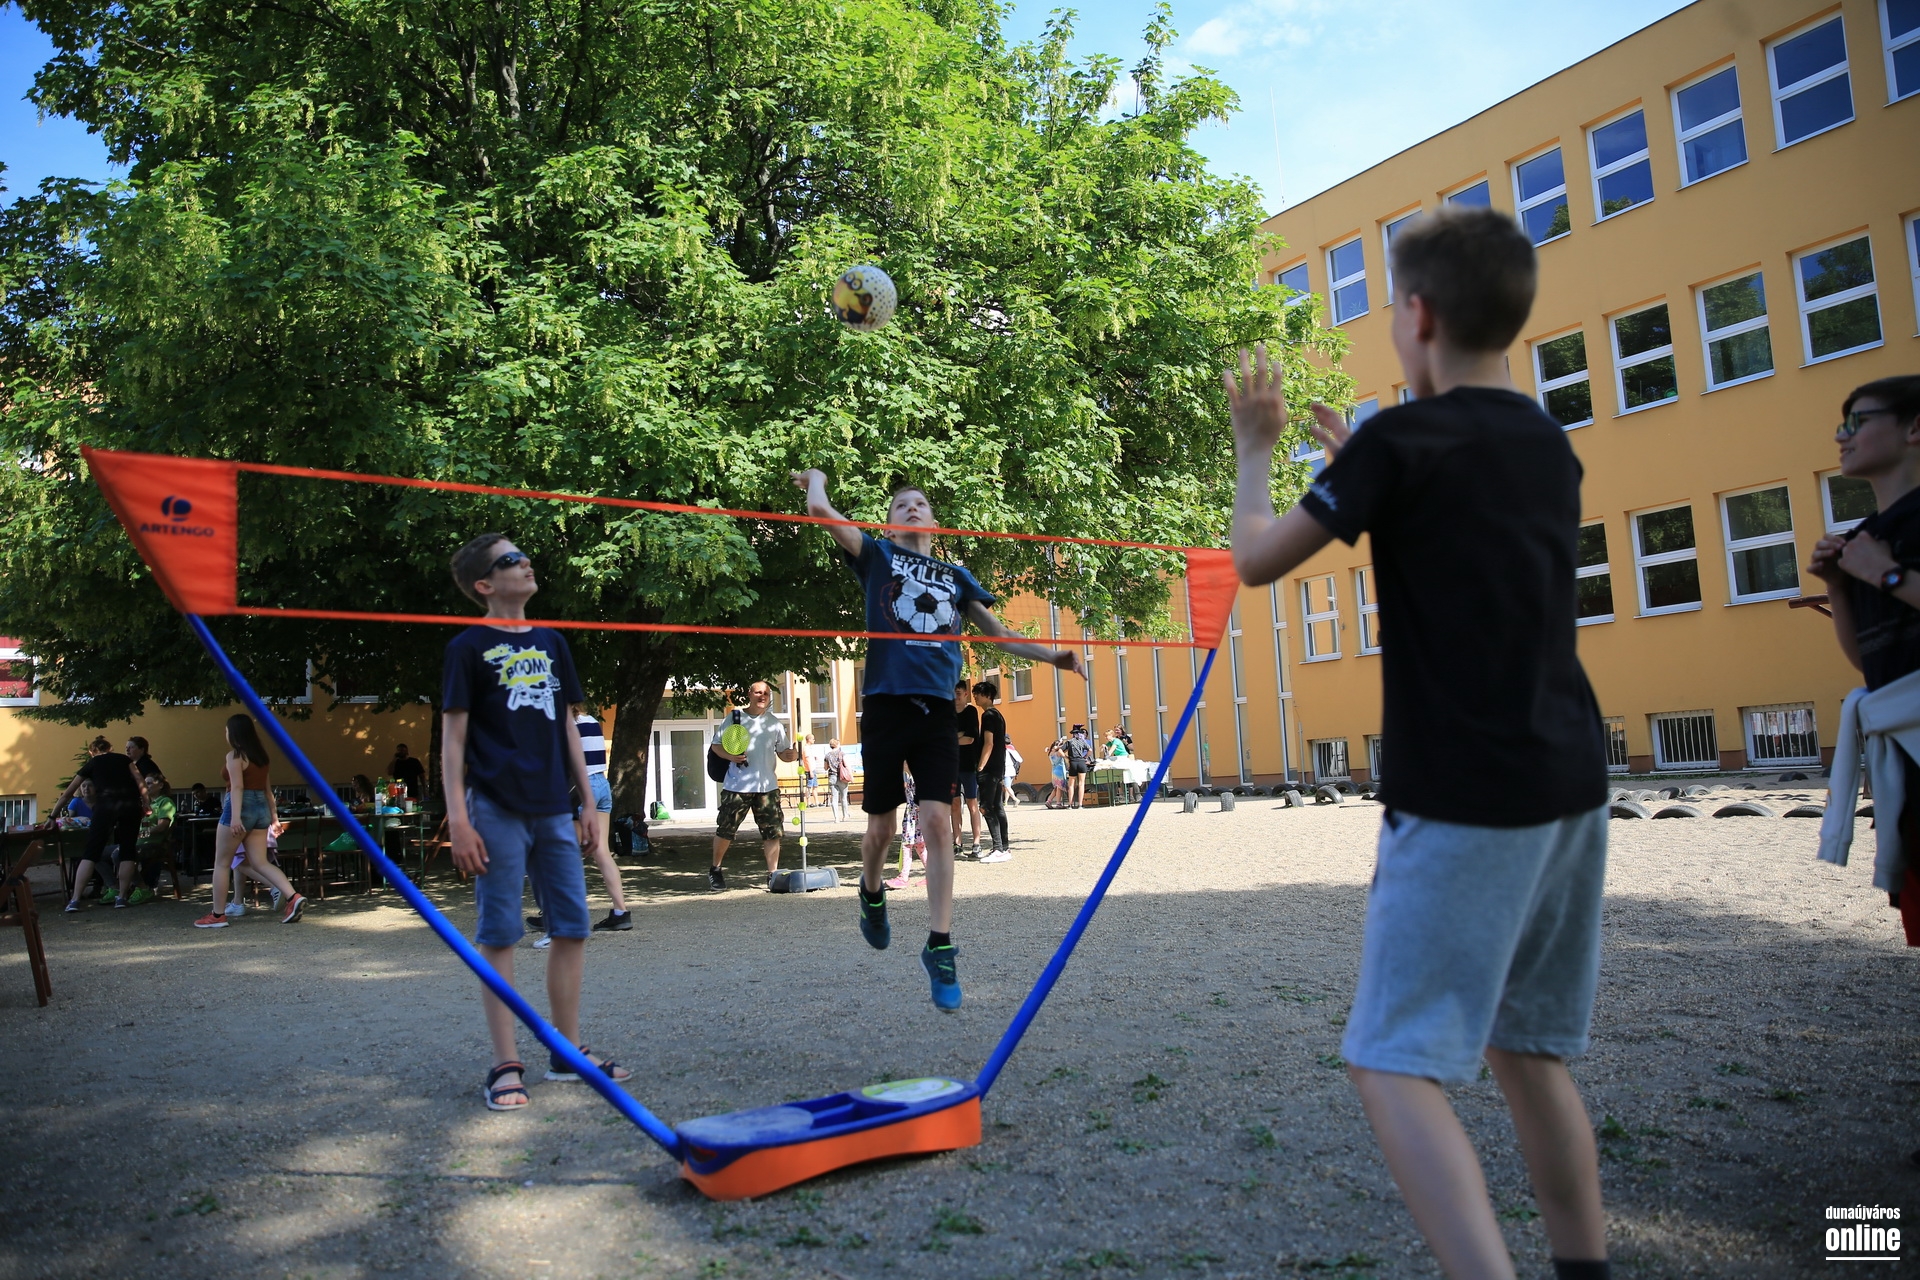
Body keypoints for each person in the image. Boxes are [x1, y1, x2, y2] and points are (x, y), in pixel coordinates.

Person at [1227, 206, 1610, 1280]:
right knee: (1527, 1049)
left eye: (1395, 307)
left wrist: (1256, 452)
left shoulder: (1401, 442)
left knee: (1391, 1062)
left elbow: (1256, 558)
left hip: (1465, 790)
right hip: (1570, 778)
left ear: (1421, 316)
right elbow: (1458, 520)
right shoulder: (1543, 440)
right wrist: (1366, 469)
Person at [791, 468, 1085, 1009]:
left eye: (920, 503)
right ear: (889, 522)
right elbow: (821, 514)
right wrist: (817, 481)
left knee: (936, 822)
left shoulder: (955, 576)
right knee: (881, 829)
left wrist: (1053, 656)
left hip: (936, 714)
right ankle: (871, 891)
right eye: (901, 503)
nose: (911, 507)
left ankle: (940, 945)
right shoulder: (878, 555)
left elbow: (999, 635)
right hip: (885, 707)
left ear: (932, 519)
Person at [441, 533, 632, 1112]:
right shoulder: (467, 647)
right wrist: (458, 819)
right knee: (500, 933)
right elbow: (453, 740)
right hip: (495, 807)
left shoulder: (551, 642)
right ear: (484, 585)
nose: (525, 562)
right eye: (510, 560)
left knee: (572, 926)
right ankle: (505, 1064)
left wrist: (589, 802)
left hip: (554, 807)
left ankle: (566, 1052)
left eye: (523, 555)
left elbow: (567, 725)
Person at [1810, 376, 1920, 944]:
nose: (1841, 436)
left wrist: (1885, 574)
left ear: (1914, 428)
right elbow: (1867, 662)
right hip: (1905, 758)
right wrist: (1838, 584)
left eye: (1858, 422)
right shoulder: (1865, 539)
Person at [193, 714, 308, 927]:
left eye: (227, 730)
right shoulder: (261, 757)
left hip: (240, 807)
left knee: (222, 863)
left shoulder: (235, 756)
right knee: (260, 862)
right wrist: (274, 819)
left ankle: (217, 915)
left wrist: (236, 817)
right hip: (260, 809)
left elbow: (237, 787)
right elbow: (267, 791)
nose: (225, 734)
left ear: (234, 733)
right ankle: (293, 897)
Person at [706, 680, 800, 891]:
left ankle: (773, 874)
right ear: (749, 694)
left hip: (767, 787)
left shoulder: (774, 723)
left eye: (766, 693)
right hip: (737, 786)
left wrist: (792, 755)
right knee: (726, 829)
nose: (762, 696)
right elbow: (716, 746)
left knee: (772, 832)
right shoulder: (735, 718)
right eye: (758, 692)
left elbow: (783, 753)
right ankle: (715, 869)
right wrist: (731, 756)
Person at [45, 736, 144, 913]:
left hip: (105, 807)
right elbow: (139, 780)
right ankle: (122, 897)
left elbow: (68, 793)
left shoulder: (92, 763)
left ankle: (75, 900)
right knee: (127, 851)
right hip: (130, 805)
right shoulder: (125, 759)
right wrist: (147, 801)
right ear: (110, 749)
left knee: (91, 852)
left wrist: (52, 816)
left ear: (92, 752)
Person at [571, 704, 631, 930]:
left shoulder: (565, 725)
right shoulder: (592, 722)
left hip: (580, 787)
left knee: (567, 853)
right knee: (602, 852)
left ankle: (559, 915)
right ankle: (620, 912)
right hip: (601, 784)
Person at [972, 681, 1011, 862]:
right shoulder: (998, 715)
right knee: (998, 807)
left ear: (987, 696)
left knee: (986, 807)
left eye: (978, 694)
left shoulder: (988, 715)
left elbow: (989, 743)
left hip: (989, 769)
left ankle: (997, 848)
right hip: (998, 767)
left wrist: (981, 766)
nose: (975, 697)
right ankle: (1004, 847)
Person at [951, 679, 985, 858]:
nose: (955, 696)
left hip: (968, 765)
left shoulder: (971, 712)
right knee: (954, 804)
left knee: (972, 803)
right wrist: (959, 735)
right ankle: (957, 843)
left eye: (958, 693)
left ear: (965, 694)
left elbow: (970, 738)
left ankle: (976, 842)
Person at [1063, 726, 1092, 808]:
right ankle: (1080, 804)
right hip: (1082, 762)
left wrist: (1066, 757)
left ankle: (1070, 804)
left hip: (1073, 762)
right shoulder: (1082, 741)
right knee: (1081, 784)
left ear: (1072, 734)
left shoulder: (1069, 742)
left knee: (1071, 785)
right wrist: (1085, 757)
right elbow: (1090, 750)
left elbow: (1060, 751)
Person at [823, 738, 851, 823]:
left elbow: (825, 767)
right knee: (843, 797)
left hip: (832, 777)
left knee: (834, 798)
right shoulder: (842, 754)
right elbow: (847, 765)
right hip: (842, 777)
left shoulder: (827, 755)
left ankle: (836, 818)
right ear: (838, 744)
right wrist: (850, 775)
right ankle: (845, 815)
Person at [1046, 739, 1069, 808]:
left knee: (1056, 787)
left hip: (1054, 770)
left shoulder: (1050, 753)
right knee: (1059, 787)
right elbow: (1065, 756)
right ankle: (1058, 803)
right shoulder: (1058, 752)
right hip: (1060, 770)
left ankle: (1049, 801)